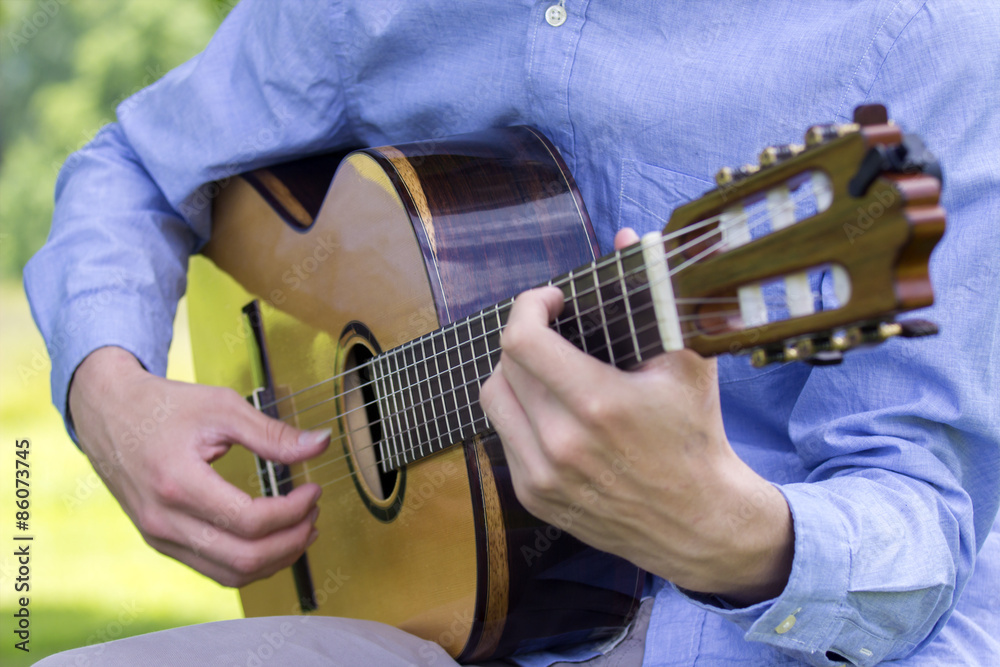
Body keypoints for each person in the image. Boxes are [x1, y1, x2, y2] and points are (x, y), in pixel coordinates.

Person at [26, 1, 1000, 665]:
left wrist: (733, 535)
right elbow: (138, 167)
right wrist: (111, 393)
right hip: (421, 619)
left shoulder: (921, 34)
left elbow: (923, 524)